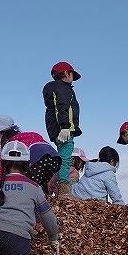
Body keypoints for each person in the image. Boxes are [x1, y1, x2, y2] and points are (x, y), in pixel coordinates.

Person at [42, 61, 82, 197]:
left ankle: (51, 185)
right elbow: (63, 106)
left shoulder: (52, 89)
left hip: (54, 128)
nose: (72, 79)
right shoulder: (64, 88)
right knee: (65, 158)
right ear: (66, 73)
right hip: (64, 128)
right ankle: (64, 190)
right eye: (72, 74)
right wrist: (65, 127)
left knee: (61, 156)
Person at [0, 130, 61, 195]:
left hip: (39, 161)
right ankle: (44, 204)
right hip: (55, 159)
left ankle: (29, 206)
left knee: (27, 186)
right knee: (40, 185)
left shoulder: (14, 145)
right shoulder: (31, 137)